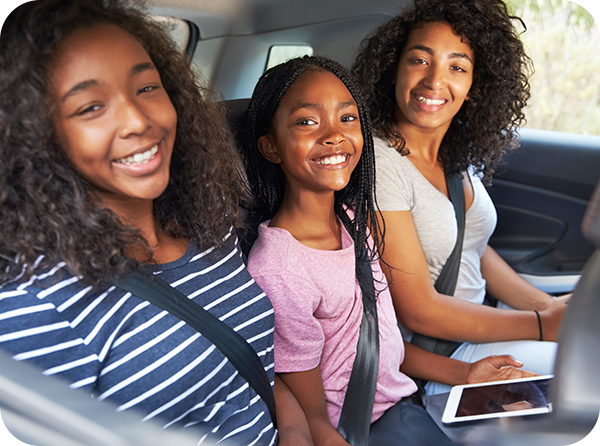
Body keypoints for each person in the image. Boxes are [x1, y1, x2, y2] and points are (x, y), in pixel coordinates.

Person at [0, 0, 311, 444]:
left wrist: (299, 434)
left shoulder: (210, 229)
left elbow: (257, 369)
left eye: (147, 88)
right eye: (90, 107)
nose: (138, 120)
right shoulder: (34, 307)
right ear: (34, 135)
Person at [242, 55, 535, 446]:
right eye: (307, 121)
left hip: (402, 403)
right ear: (271, 146)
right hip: (360, 428)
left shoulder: (353, 222)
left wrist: (465, 375)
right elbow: (312, 419)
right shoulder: (280, 265)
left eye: (347, 118)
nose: (333, 134)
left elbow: (379, 342)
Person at [352, 0, 568, 395]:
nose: (434, 81)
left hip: (482, 326)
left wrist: (550, 308)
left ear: (474, 86)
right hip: (444, 355)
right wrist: (541, 325)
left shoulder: (452, 155)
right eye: (420, 60)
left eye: (457, 67)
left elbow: (472, 248)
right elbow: (419, 311)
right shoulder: (380, 163)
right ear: (393, 69)